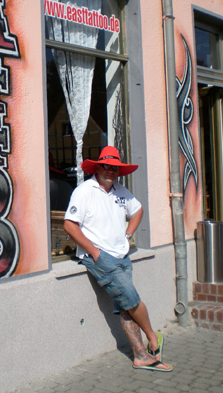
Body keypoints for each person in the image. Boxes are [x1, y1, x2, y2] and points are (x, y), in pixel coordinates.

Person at [64, 146, 173, 372]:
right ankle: (153, 337)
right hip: (100, 258)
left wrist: (127, 235)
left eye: (115, 167)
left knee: (125, 307)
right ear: (97, 167)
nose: (111, 171)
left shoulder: (121, 191)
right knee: (132, 300)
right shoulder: (84, 191)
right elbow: (69, 225)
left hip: (121, 255)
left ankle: (140, 355)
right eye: (106, 166)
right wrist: (95, 252)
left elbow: (138, 211)